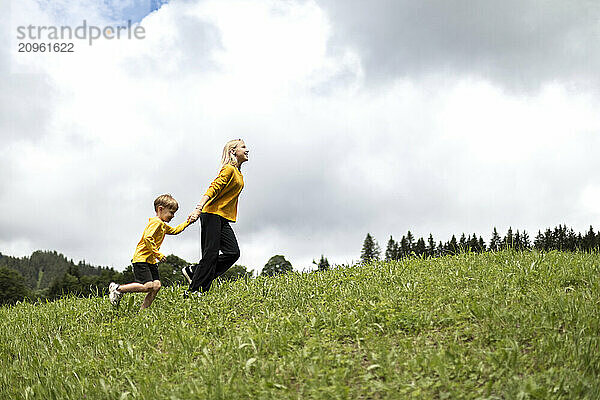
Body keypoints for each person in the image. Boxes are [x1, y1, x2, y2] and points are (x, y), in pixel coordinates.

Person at [183, 139, 248, 294]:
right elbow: (213, 188)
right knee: (210, 254)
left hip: (222, 217)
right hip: (211, 214)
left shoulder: (238, 173)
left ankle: (194, 272)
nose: (247, 150)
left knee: (233, 252)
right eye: (243, 147)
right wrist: (198, 208)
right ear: (233, 151)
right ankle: (194, 291)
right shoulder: (228, 169)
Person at [109, 194, 191, 309]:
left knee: (156, 286)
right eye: (171, 212)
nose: (173, 216)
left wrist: (188, 222)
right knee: (147, 286)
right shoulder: (156, 222)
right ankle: (117, 289)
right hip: (142, 258)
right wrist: (158, 254)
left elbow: (174, 230)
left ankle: (143, 312)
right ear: (160, 209)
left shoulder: (162, 224)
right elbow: (148, 238)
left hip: (150, 260)